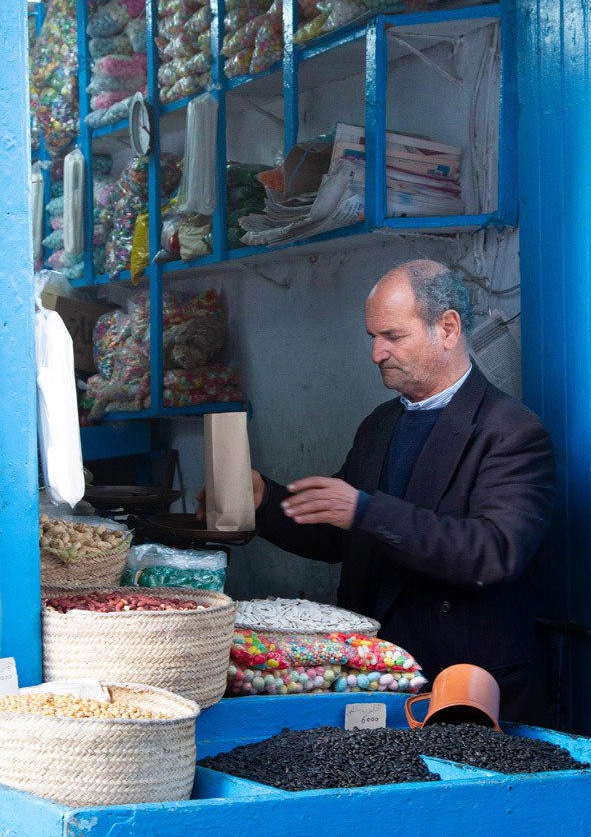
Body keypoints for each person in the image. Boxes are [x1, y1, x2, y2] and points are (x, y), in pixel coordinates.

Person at [198, 260, 556, 723]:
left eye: (393, 336)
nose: (376, 353)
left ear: (447, 328)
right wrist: (265, 499)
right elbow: (339, 532)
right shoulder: (381, 425)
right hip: (377, 678)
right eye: (373, 337)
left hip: (467, 689)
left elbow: (492, 552)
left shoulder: (511, 432)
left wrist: (367, 511)